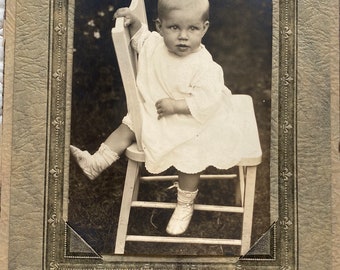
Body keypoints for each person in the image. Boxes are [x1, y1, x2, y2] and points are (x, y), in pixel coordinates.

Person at [70, 0, 243, 236]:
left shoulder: (205, 65)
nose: (183, 36)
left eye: (192, 28)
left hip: (192, 120)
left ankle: (185, 204)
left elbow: (207, 101)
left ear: (205, 28)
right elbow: (142, 37)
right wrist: (135, 22)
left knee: (190, 155)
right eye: (174, 28)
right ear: (160, 27)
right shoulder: (154, 44)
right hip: (157, 114)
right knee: (129, 125)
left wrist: (178, 106)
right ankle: (96, 162)